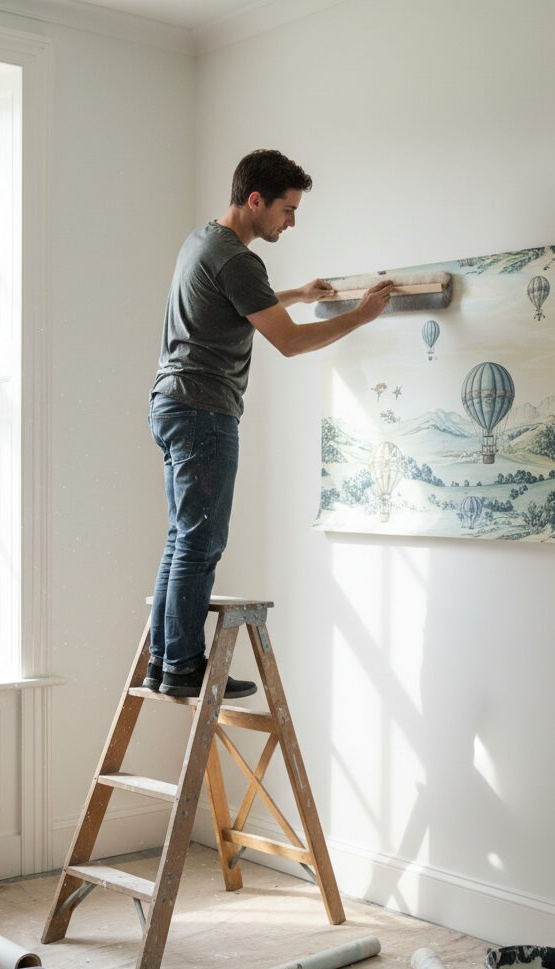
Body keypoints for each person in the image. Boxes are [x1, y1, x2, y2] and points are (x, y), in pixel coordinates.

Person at [146, 149, 392, 699]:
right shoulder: (237, 258)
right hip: (203, 411)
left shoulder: (201, 241)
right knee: (201, 543)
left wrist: (298, 294)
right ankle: (184, 665)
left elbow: (238, 304)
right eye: (287, 209)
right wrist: (361, 316)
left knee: (183, 539)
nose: (292, 221)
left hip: (172, 404)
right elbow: (290, 341)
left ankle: (163, 661)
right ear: (255, 200)